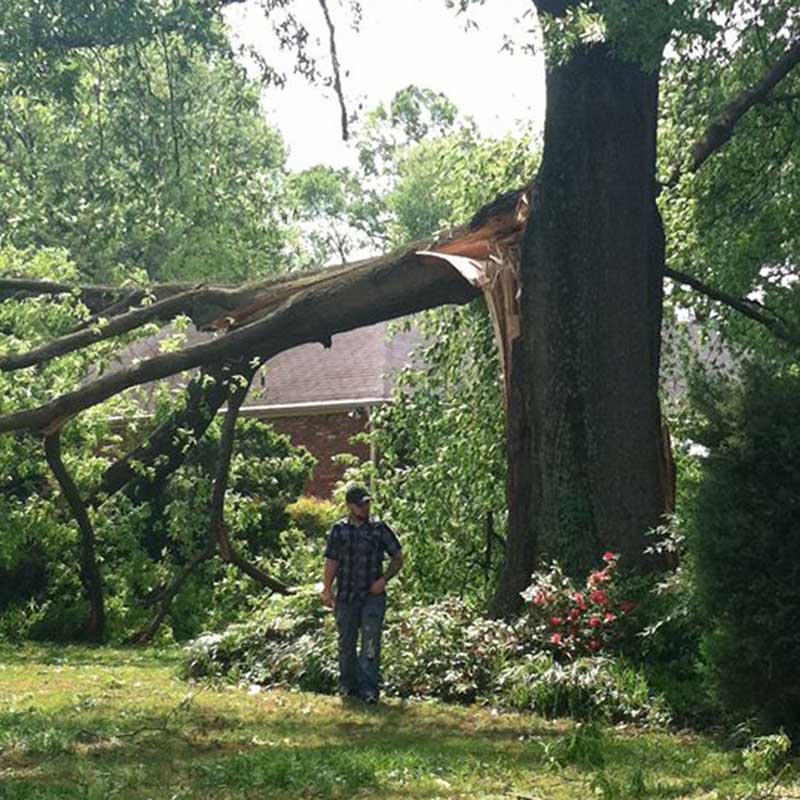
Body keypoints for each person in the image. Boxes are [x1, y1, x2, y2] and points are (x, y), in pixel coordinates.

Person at [321, 484, 403, 704]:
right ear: (349, 506)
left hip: (372, 596)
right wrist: (327, 589)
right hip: (346, 595)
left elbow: (398, 557)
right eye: (360, 505)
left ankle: (369, 689)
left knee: (370, 642)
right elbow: (331, 561)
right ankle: (348, 686)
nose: (365, 508)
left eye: (367, 503)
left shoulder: (379, 529)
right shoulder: (339, 530)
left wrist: (384, 580)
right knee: (346, 642)